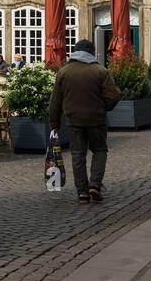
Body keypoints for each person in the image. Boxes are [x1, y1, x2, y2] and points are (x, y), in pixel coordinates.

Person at [49, 38, 120, 204]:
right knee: (100, 150)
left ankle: (82, 192)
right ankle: (94, 184)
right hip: (96, 119)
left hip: (73, 120)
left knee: (77, 155)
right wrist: (104, 108)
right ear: (91, 52)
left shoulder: (64, 72)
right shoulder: (100, 71)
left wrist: (54, 124)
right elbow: (114, 96)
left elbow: (55, 101)